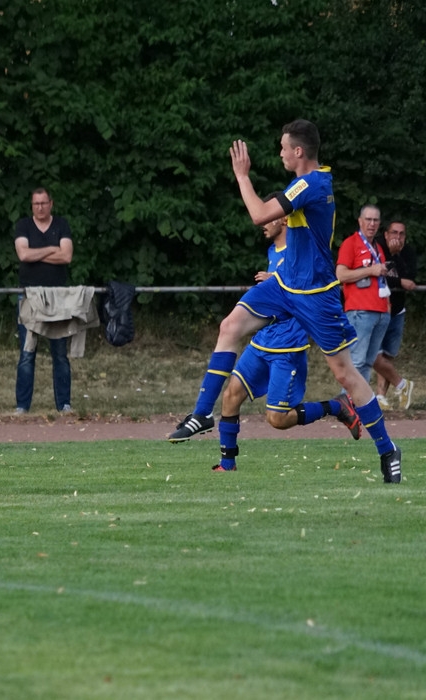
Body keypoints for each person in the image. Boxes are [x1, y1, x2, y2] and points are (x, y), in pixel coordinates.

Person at [167, 119, 402, 484]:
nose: (280, 153)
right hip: (284, 285)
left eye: (283, 147)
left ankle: (388, 449)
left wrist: (242, 176)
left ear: (298, 151)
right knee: (229, 326)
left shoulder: (312, 183)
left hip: (314, 295)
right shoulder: (305, 183)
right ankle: (202, 414)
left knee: (345, 373)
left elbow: (259, 215)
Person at [208, 206, 361, 472]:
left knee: (277, 419)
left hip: (288, 346)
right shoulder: (273, 251)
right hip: (263, 341)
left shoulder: (301, 252)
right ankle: (227, 464)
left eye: (268, 218)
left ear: (283, 219)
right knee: (231, 394)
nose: (262, 223)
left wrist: (278, 281)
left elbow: (313, 287)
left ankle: (336, 406)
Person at [14, 187, 73, 413]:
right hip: (29, 295)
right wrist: (50, 249)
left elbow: (66, 256)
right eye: (36, 203)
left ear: (51, 203)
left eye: (43, 203)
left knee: (60, 353)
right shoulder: (23, 226)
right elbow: (23, 254)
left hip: (57, 296)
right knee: (27, 352)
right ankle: (22, 406)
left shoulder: (61, 225)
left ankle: (64, 404)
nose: (40, 207)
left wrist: (36, 254)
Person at [335, 205, 390, 383]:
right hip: (360, 310)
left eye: (375, 220)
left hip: (380, 311)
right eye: (368, 219)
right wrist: (369, 270)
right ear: (360, 221)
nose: (372, 224)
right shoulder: (350, 243)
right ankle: (348, 399)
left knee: (367, 363)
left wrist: (387, 308)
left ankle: (361, 400)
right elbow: (341, 275)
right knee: (356, 362)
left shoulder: (378, 247)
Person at [372, 219, 416, 409]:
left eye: (401, 233)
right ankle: (402, 384)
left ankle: (381, 397)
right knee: (372, 354)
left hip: (397, 310)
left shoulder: (408, 252)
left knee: (387, 355)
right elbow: (378, 276)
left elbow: (410, 278)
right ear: (386, 234)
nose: (398, 237)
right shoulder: (376, 247)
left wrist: (396, 256)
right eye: (394, 232)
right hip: (377, 309)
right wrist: (399, 281)